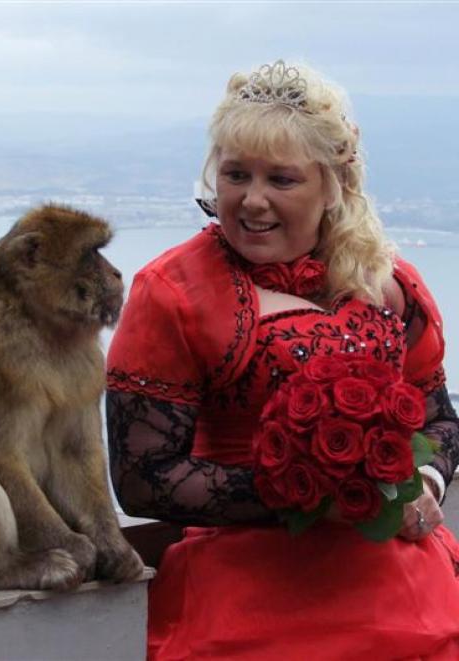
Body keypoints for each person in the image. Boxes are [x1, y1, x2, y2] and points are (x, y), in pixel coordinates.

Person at [106, 60, 459, 660]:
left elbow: (439, 420)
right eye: (236, 174)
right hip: (245, 595)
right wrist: (316, 492)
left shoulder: (391, 284)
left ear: (334, 184)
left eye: (283, 180)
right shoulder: (174, 291)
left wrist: (422, 482)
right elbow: (143, 479)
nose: (252, 200)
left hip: (401, 584)